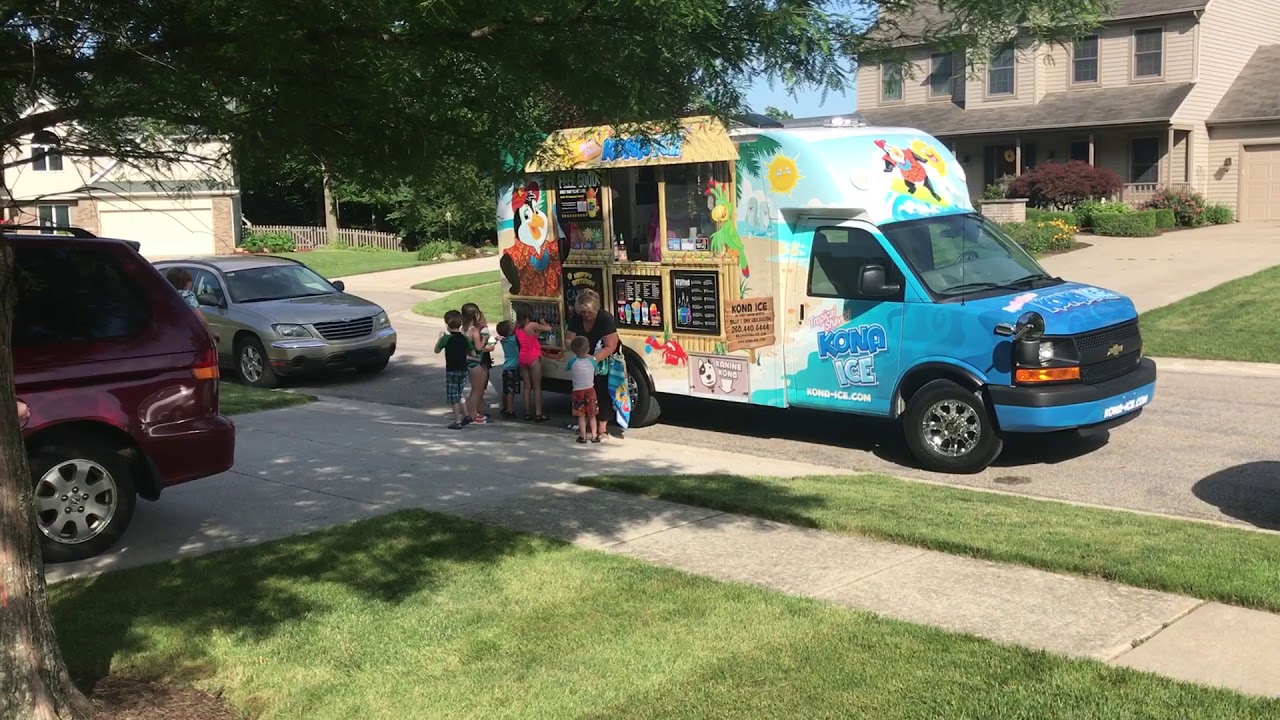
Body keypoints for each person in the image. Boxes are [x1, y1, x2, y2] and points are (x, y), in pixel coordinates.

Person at [564, 288, 619, 440]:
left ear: (596, 308)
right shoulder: (576, 318)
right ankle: (585, 427)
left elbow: (611, 345)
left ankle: (602, 429)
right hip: (583, 359)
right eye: (583, 312)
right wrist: (579, 351)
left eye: (589, 312)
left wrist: (593, 360)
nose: (586, 316)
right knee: (581, 394)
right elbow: (568, 340)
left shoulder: (605, 318)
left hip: (601, 360)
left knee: (602, 391)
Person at [514, 304, 553, 422]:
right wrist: (543, 322)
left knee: (526, 386)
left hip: (522, 357)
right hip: (533, 357)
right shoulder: (531, 325)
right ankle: (538, 413)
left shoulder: (517, 327)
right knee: (537, 386)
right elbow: (549, 329)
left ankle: (527, 412)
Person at [433, 310, 469, 430]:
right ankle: (466, 415)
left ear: (447, 324)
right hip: (464, 369)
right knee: (459, 392)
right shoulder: (464, 339)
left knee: (453, 396)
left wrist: (440, 338)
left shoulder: (447, 338)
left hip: (452, 370)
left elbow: (436, 350)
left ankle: (457, 421)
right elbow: (472, 352)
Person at [460, 303, 495, 426]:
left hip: (467, 360)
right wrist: (486, 338)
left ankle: (469, 413)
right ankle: (473, 414)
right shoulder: (474, 330)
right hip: (476, 362)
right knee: (477, 390)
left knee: (475, 390)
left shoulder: (463, 329)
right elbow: (479, 347)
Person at [566, 336, 601, 443]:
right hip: (590, 390)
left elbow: (567, 368)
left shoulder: (572, 361)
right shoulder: (591, 361)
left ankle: (583, 436)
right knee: (592, 415)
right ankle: (595, 436)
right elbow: (598, 371)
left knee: (581, 415)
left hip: (577, 391)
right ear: (588, 348)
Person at [495, 320, 521, 419]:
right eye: (512, 325)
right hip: (513, 367)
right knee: (511, 391)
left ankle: (504, 406)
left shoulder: (504, 340)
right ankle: (510, 410)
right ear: (510, 331)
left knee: (505, 390)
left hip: (506, 367)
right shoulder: (513, 339)